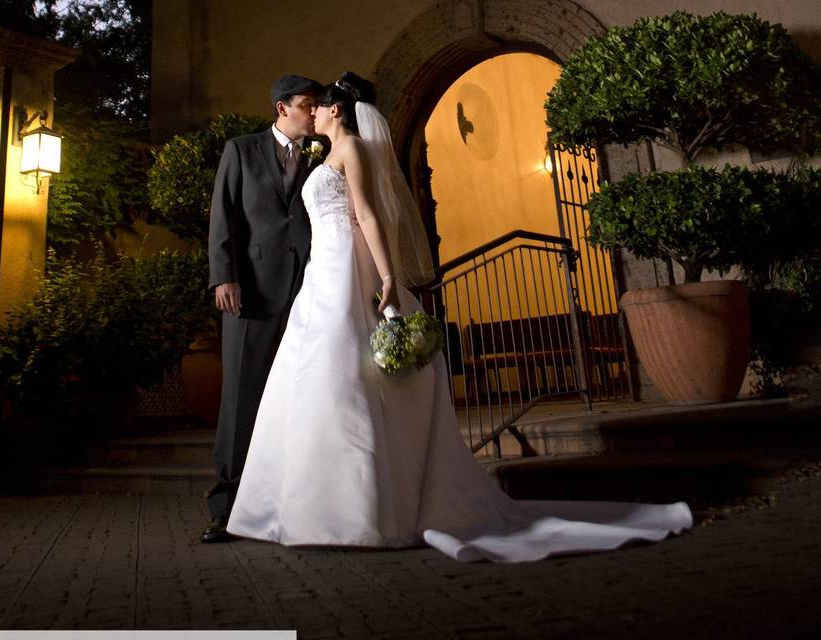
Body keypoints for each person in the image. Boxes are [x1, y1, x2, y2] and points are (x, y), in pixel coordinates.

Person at [226, 72, 693, 562]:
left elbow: (367, 215)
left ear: (336, 111)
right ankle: (304, 508)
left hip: (347, 266)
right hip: (324, 270)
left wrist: (386, 278)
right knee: (316, 381)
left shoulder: (353, 151)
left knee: (340, 378)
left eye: (318, 107)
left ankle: (355, 511)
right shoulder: (332, 154)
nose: (313, 113)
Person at [203, 74, 324, 543]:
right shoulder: (241, 149)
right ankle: (225, 507)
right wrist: (223, 275)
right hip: (250, 290)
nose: (314, 113)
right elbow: (224, 215)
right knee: (242, 394)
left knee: (298, 394)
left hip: (308, 290)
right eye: (307, 105)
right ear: (282, 108)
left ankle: (288, 499)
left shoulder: (320, 157)